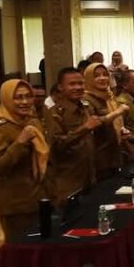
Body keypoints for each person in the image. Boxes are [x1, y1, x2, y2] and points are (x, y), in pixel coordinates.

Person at [0, 79, 49, 242]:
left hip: (39, 198)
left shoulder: (32, 121)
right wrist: (20, 142)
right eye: (18, 97)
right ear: (6, 99)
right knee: (22, 252)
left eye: (28, 96)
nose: (25, 102)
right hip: (16, 205)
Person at [44, 67, 99, 204]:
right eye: (72, 84)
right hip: (68, 182)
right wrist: (85, 128)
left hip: (89, 178)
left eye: (80, 83)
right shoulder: (55, 113)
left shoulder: (86, 107)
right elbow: (57, 145)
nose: (78, 87)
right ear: (60, 87)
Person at [83, 63, 128, 179]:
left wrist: (121, 130)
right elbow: (93, 123)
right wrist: (117, 112)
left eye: (105, 74)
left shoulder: (109, 96)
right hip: (99, 157)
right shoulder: (86, 99)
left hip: (114, 152)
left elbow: (114, 122)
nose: (102, 78)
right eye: (97, 76)